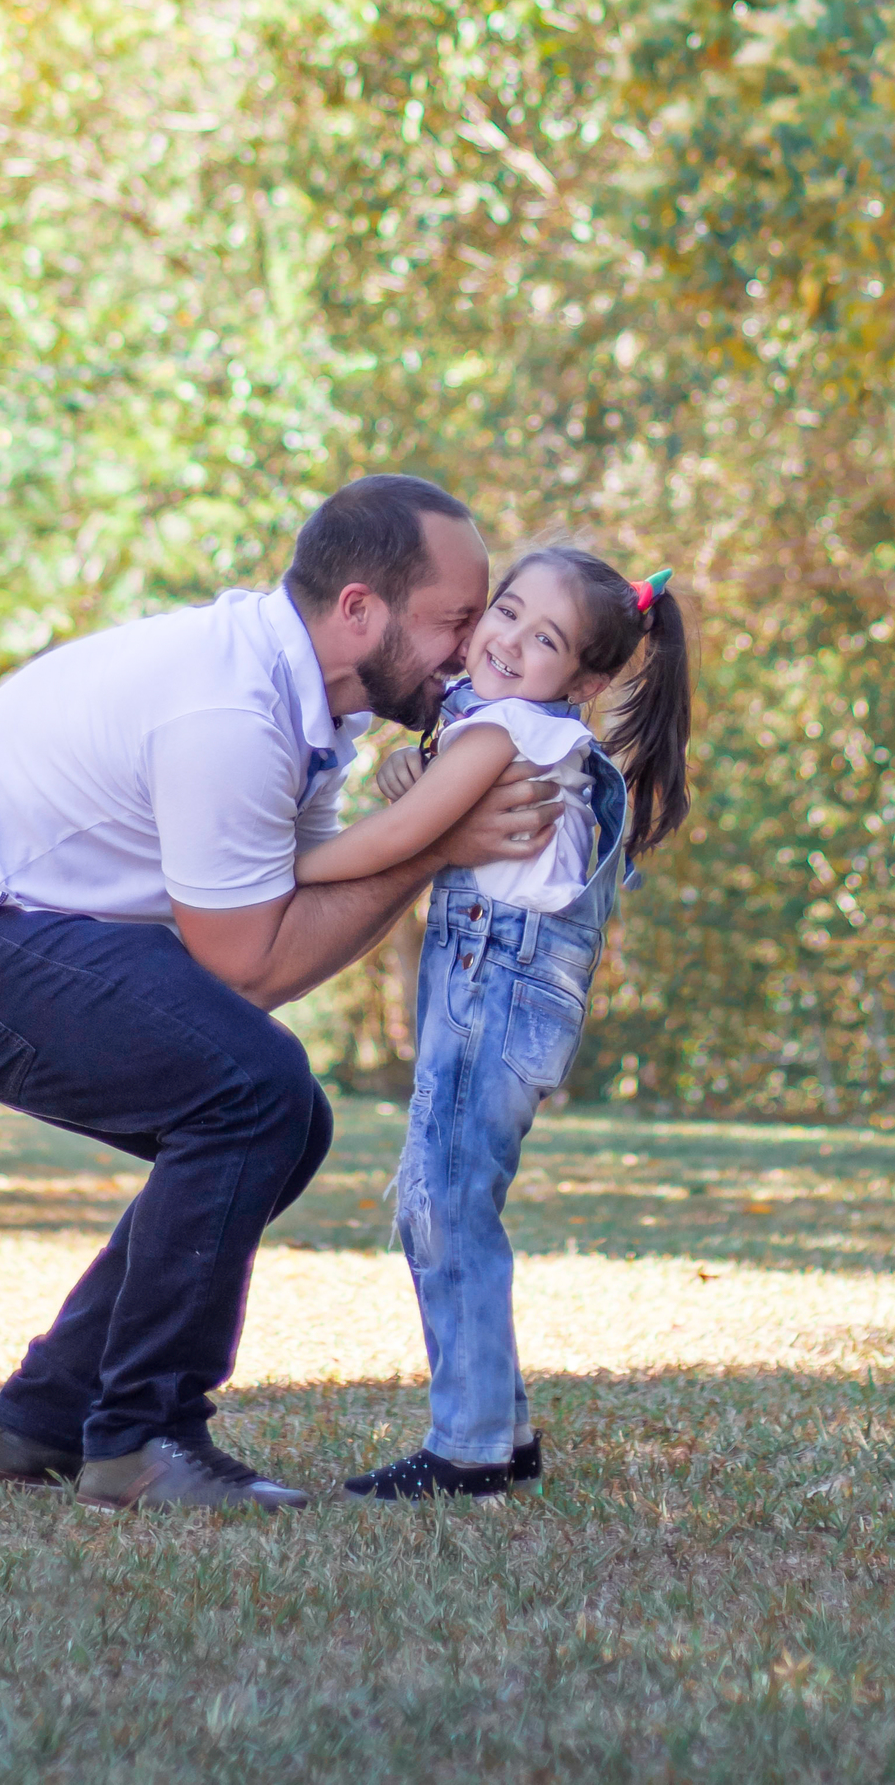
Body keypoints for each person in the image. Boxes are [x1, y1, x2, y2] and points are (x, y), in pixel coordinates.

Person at [0, 474, 567, 1514]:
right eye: (455, 621)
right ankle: (139, 1440)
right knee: (253, 1092)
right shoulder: (231, 708)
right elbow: (250, 965)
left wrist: (423, 841)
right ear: (359, 610)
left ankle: (46, 1416)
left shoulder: (306, 709)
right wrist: (440, 847)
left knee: (282, 1115)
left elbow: (294, 919)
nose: (470, 651)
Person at [294, 547, 691, 1502]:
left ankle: (468, 1449)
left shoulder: (500, 732)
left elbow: (401, 839)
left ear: (587, 679)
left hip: (492, 989)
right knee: (457, 1193)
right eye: (504, 613)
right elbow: (427, 797)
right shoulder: (526, 729)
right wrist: (407, 772)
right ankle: (500, 1431)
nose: (507, 640)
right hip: (516, 994)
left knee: (441, 1203)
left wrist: (289, 870)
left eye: (543, 637)